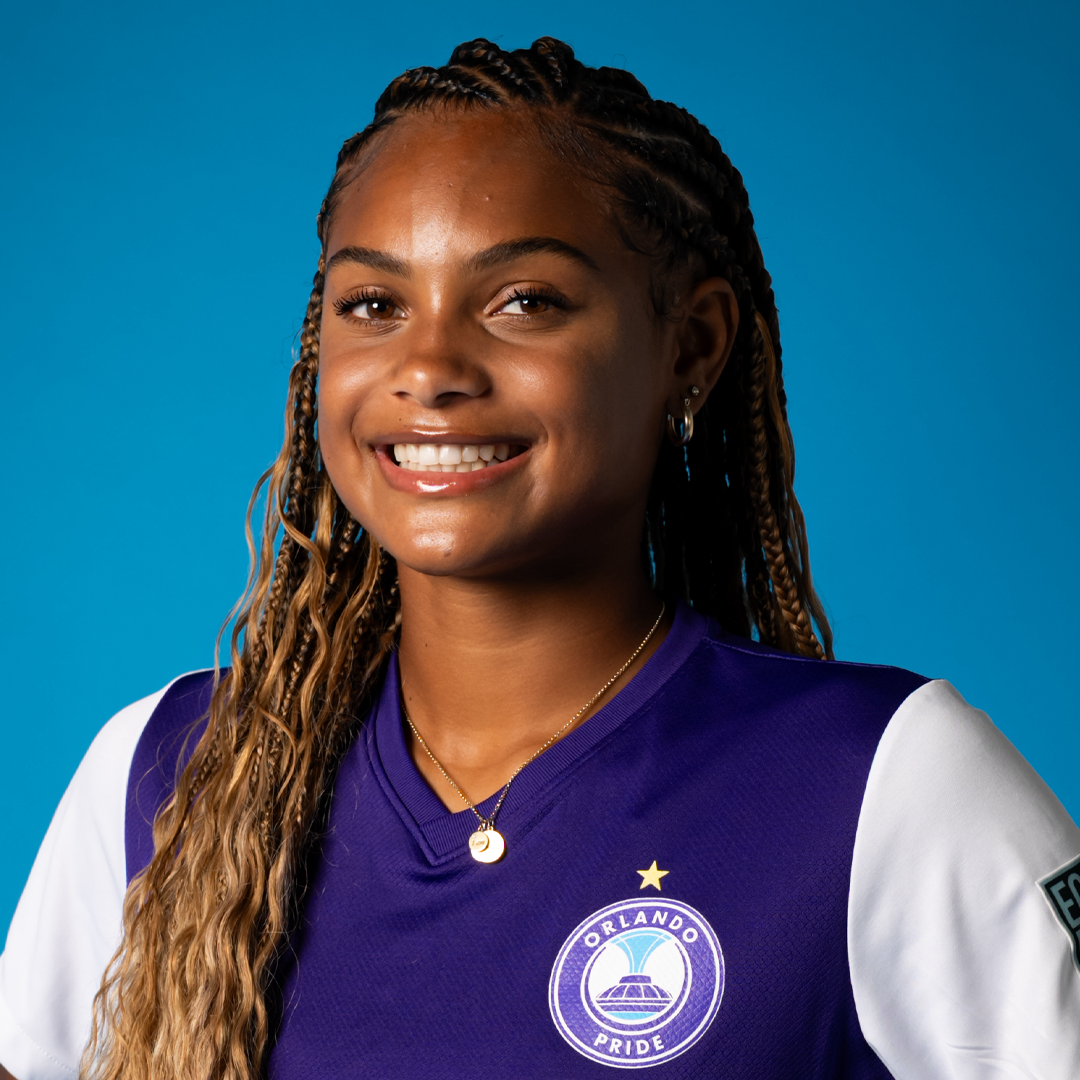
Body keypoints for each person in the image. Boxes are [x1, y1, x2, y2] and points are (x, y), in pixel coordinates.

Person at [1, 35, 1077, 1080]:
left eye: (525, 302)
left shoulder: (883, 782)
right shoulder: (164, 771)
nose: (428, 366)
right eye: (373, 304)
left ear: (690, 349)